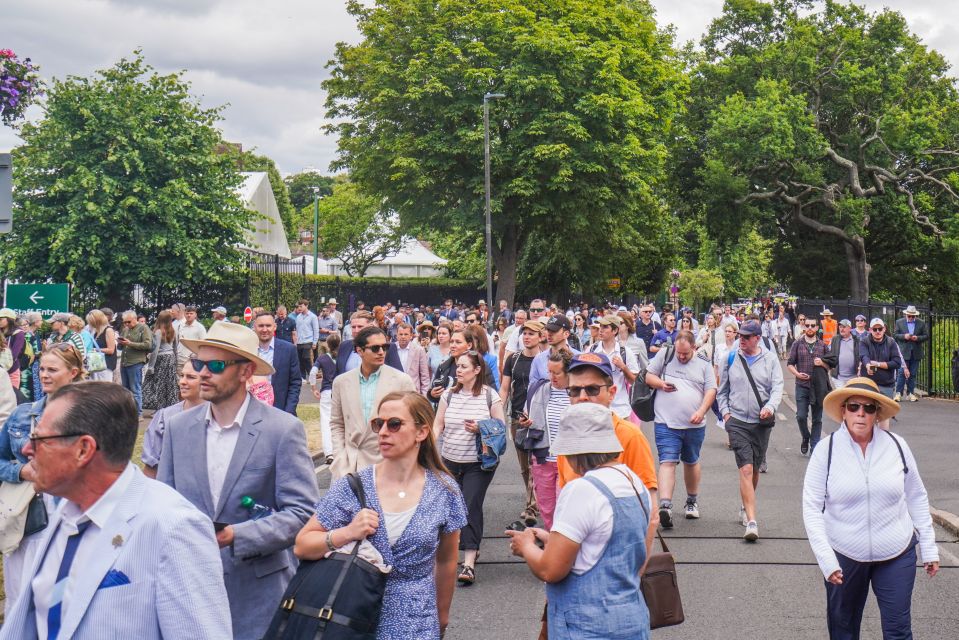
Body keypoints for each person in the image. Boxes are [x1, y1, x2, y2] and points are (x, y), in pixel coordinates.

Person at [2, 381, 232, 639]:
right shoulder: (67, 510)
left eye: (39, 439)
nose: (26, 449)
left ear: (83, 449)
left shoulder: (173, 527)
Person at [157, 322, 319, 640]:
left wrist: (237, 535)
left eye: (215, 365)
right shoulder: (177, 428)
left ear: (245, 372)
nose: (203, 373)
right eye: (199, 364)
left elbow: (302, 514)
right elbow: (163, 508)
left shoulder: (282, 430)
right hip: (189, 594)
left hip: (258, 595)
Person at [296, 391, 466, 639]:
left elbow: (447, 560)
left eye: (394, 424)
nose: (383, 431)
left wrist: (442, 617)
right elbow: (302, 545)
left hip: (416, 622)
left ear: (421, 432)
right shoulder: (353, 487)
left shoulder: (444, 491)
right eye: (379, 423)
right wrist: (346, 533)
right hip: (351, 617)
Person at [802, 377, 939, 639]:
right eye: (854, 407)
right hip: (844, 553)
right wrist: (826, 559)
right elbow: (811, 507)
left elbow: (917, 496)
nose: (861, 414)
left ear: (877, 413)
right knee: (843, 630)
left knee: (899, 632)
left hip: (896, 551)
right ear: (843, 411)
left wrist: (929, 546)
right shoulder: (826, 451)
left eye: (869, 408)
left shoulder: (897, 446)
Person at [507, 403, 654, 640]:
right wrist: (553, 539)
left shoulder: (582, 490)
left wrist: (526, 546)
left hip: (586, 625)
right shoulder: (634, 482)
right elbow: (610, 542)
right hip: (631, 618)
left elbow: (550, 569)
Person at [433, 351, 506, 585]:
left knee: (470, 505)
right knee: (451, 508)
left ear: (477, 370)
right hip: (449, 461)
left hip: (478, 463)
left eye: (464, 366)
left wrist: (481, 428)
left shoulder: (489, 395)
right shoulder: (448, 396)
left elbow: (501, 427)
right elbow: (438, 425)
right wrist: (428, 449)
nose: (459, 370)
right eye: (458, 366)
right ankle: (460, 548)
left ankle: (468, 563)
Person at [717, 319, 784, 541]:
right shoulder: (730, 357)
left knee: (754, 469)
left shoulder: (770, 359)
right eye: (740, 336)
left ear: (757, 338)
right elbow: (722, 389)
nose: (741, 340)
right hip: (737, 420)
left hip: (761, 421)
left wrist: (770, 407)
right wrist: (726, 414)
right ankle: (752, 521)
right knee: (745, 469)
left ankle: (746, 505)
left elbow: (777, 387)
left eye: (746, 337)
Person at [644, 330, 716, 528]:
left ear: (693, 347)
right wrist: (660, 384)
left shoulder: (703, 363)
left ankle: (691, 501)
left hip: (694, 424)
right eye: (679, 353)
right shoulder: (665, 354)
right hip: (665, 421)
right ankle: (665, 506)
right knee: (667, 461)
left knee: (691, 461)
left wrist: (701, 411)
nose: (681, 357)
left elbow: (711, 390)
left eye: (685, 353)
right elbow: (648, 376)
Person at [329, 326, 416, 481]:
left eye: (385, 347)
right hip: (349, 466)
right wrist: (339, 456)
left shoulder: (402, 381)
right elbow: (337, 423)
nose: (381, 352)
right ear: (359, 351)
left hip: (388, 465)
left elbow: (413, 424)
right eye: (375, 348)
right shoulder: (341, 382)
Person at [500, 319, 545, 528]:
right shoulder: (514, 359)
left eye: (531, 333)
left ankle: (531, 507)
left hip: (539, 418)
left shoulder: (545, 359)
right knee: (524, 466)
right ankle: (535, 500)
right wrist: (499, 410)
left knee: (534, 463)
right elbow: (505, 387)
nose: (526, 337)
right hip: (518, 417)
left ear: (540, 337)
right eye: (524, 333)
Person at [521, 349, 572, 529]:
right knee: (547, 506)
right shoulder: (540, 389)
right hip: (543, 456)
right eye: (549, 371)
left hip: (569, 459)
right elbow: (528, 413)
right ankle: (552, 540)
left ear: (568, 372)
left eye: (556, 372)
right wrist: (526, 421)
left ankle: (564, 544)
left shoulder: (577, 393)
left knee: (564, 504)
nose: (552, 376)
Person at [142, 365, 205, 478]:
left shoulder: (218, 416)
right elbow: (151, 468)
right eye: (181, 376)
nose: (182, 382)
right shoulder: (165, 416)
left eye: (191, 377)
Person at [787, 315, 830, 455]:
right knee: (801, 416)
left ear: (817, 328)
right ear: (803, 327)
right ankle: (806, 437)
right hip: (802, 385)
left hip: (818, 386)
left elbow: (831, 365)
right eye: (807, 325)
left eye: (812, 325)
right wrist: (797, 374)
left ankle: (815, 445)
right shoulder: (797, 344)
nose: (810, 328)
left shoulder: (822, 345)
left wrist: (822, 363)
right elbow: (790, 363)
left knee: (817, 418)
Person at [589, 315, 639, 419]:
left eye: (605, 327)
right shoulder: (592, 350)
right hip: (596, 410)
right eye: (600, 326)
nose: (600, 330)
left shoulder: (625, 352)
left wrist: (623, 367)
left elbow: (634, 381)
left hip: (620, 411)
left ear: (615, 330)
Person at [252, 311, 301, 415]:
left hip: (281, 411)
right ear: (254, 327)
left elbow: (295, 383)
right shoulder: (247, 351)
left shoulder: (289, 350)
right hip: (253, 412)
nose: (264, 329)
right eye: (261, 326)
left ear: (274, 327)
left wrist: (289, 411)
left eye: (268, 325)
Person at [859, 318, 902, 429]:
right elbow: (864, 356)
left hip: (886, 384)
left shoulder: (891, 342)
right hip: (868, 384)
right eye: (875, 329)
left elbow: (897, 362)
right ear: (870, 330)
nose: (877, 331)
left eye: (880, 329)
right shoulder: (864, 341)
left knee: (883, 417)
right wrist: (868, 365)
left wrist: (878, 364)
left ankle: (882, 443)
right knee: (867, 414)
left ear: (884, 329)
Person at [336, 311, 404, 376]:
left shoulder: (387, 347)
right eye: (353, 327)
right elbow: (338, 374)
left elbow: (399, 376)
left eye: (360, 326)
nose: (356, 330)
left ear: (370, 326)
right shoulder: (344, 346)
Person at [310, 333, 340, 466]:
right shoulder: (342, 357)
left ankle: (329, 452)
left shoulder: (322, 358)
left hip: (327, 391)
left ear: (327, 345)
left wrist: (313, 388)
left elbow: (312, 373)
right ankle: (339, 449)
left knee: (326, 422)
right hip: (340, 391)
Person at [142, 309, 180, 412]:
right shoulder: (173, 331)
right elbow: (176, 348)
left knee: (159, 384)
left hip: (161, 359)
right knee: (170, 385)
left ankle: (159, 408)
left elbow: (155, 350)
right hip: (171, 358)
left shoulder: (158, 332)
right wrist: (176, 363)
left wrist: (150, 366)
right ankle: (170, 408)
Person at [529, 315, 580, 389]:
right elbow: (532, 388)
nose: (549, 334)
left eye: (554, 331)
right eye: (548, 330)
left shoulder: (579, 358)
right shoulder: (539, 359)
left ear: (566, 334)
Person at [118, 309, 154, 415]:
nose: (126, 324)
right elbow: (121, 347)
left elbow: (148, 345)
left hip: (136, 362)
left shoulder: (143, 328)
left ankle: (138, 413)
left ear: (135, 319)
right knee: (126, 389)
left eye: (128, 322)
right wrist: (120, 342)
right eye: (124, 322)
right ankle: (128, 412)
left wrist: (130, 343)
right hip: (124, 362)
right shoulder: (125, 329)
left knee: (135, 389)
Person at [893, 305, 928, 403]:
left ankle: (910, 393)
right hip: (903, 352)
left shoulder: (921, 323)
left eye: (913, 316)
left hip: (916, 352)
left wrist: (917, 338)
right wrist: (904, 336)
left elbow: (926, 336)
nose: (911, 318)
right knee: (901, 373)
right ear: (906, 315)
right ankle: (898, 393)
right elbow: (895, 335)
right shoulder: (899, 322)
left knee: (913, 373)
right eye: (909, 316)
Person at [822, 319, 860, 388]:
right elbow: (828, 354)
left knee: (851, 398)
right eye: (840, 327)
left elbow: (861, 356)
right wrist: (830, 365)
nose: (841, 329)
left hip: (854, 378)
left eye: (844, 327)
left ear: (850, 328)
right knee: (841, 398)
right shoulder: (834, 339)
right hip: (838, 378)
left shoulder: (857, 340)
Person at [396, 322, 431, 394]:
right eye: (400, 334)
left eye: (406, 334)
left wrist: (424, 396)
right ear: (397, 335)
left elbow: (425, 376)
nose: (403, 336)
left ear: (411, 336)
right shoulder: (391, 349)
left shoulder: (419, 350)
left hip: (413, 392)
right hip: (395, 392)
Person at [85, 309, 117, 382]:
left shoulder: (108, 330)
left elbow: (111, 350)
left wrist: (95, 350)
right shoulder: (96, 331)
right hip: (96, 366)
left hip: (105, 366)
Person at [175, 305, 207, 376]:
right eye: (187, 313)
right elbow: (176, 342)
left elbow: (204, 345)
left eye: (191, 313)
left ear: (195, 315)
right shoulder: (180, 326)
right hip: (179, 359)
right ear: (184, 314)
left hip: (193, 360)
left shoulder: (200, 327)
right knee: (179, 383)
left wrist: (197, 356)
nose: (189, 315)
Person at [293, 299, 320, 381]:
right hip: (299, 342)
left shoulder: (313, 316)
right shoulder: (298, 317)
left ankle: (311, 374)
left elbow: (316, 330)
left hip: (308, 341)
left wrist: (315, 342)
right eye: (298, 306)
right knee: (300, 360)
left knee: (306, 358)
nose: (299, 308)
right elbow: (297, 330)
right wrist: (296, 341)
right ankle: (302, 377)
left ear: (306, 306)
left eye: (301, 306)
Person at [0, 308, 26, 389]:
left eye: (1, 319)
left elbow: (14, 354)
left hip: (12, 370)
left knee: (12, 396)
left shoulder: (19, 333)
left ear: (9, 319)